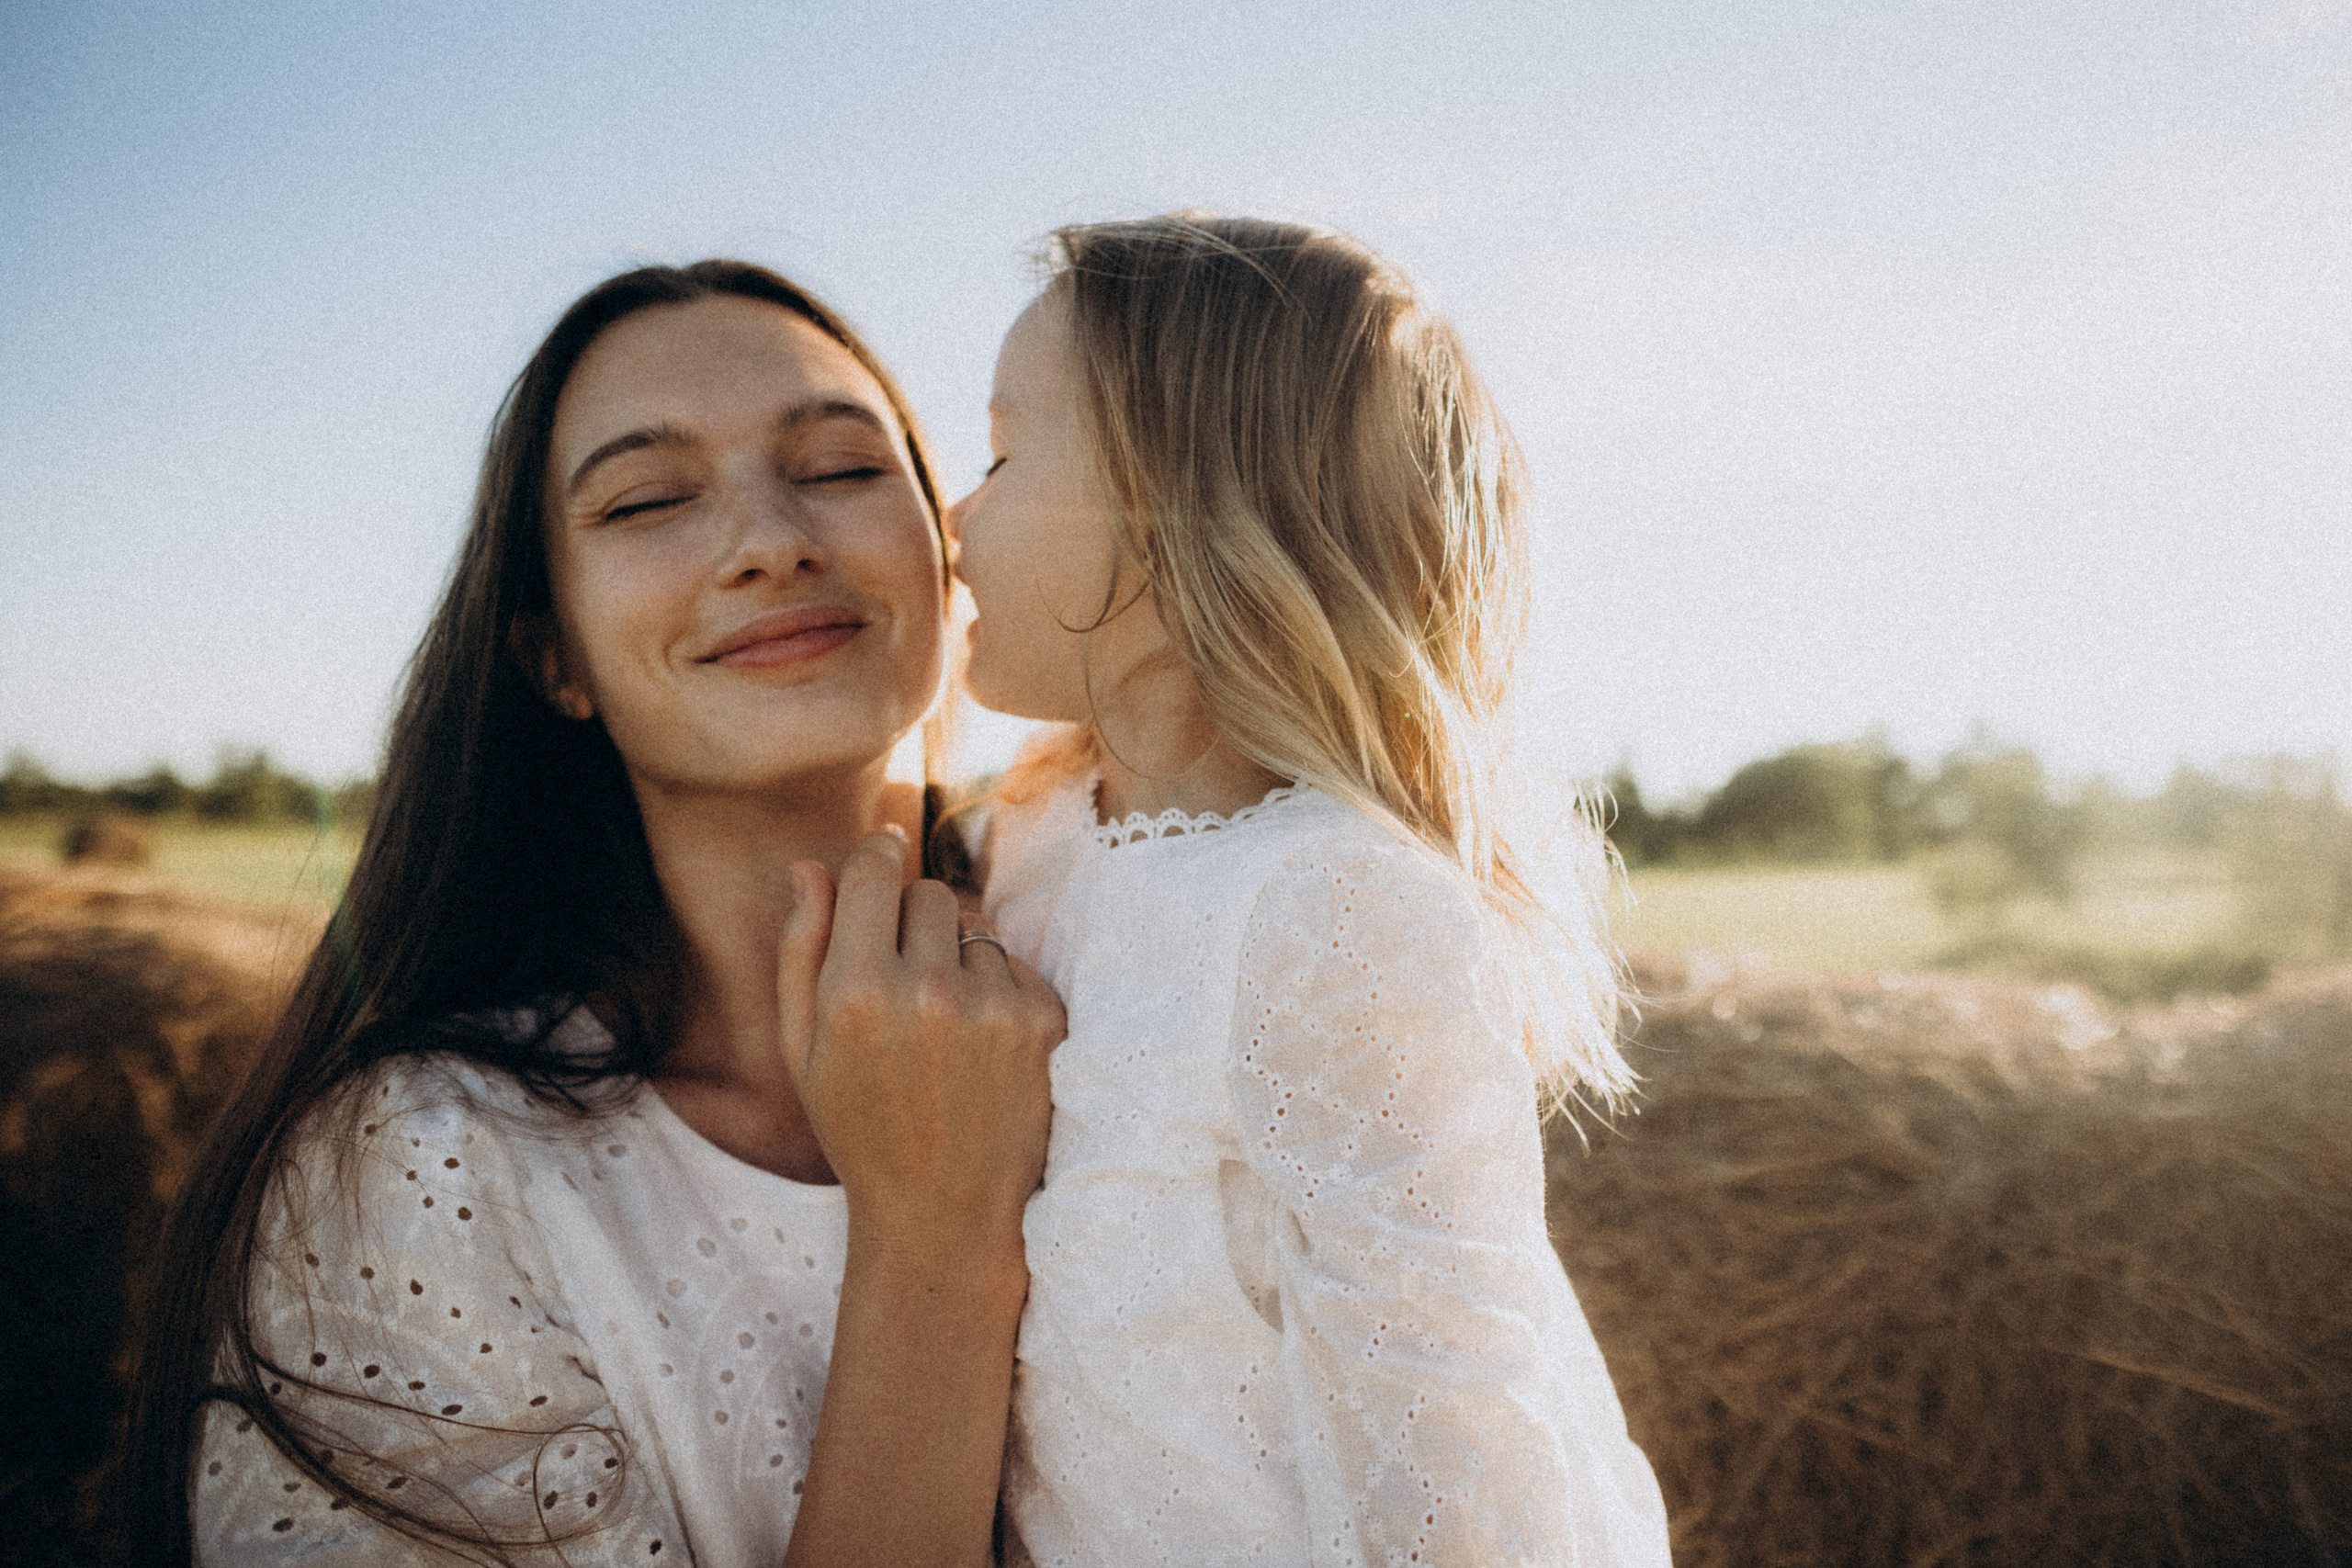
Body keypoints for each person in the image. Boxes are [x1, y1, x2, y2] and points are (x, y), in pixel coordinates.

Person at [117, 260, 1066, 1567]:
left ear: (947, 548)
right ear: (550, 654)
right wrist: (930, 1248)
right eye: (650, 498)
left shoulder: (1145, 964)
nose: (771, 541)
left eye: (844, 469)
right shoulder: (422, 1175)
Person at [952, 214, 1674, 1566]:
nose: (955, 511)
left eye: (1002, 453)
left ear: (1175, 510)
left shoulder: (1331, 905)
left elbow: (1450, 1446)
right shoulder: (1036, 838)